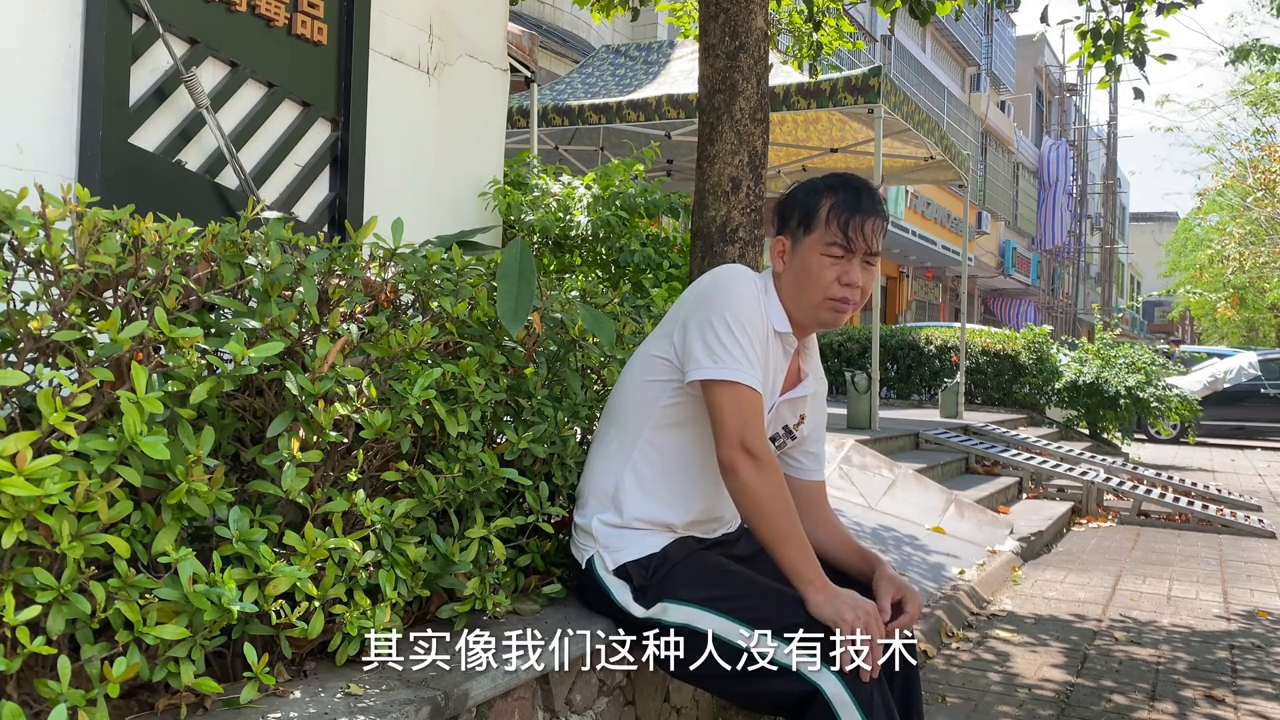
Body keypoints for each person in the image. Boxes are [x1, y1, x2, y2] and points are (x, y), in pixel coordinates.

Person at [571, 172, 925, 720]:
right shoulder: (733, 293)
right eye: (836, 255)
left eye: (868, 261)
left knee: (886, 641)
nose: (854, 279)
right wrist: (820, 592)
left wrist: (876, 570)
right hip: (637, 553)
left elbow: (810, 512)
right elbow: (740, 452)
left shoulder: (808, 366)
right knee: (834, 674)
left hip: (718, 542)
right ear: (781, 253)